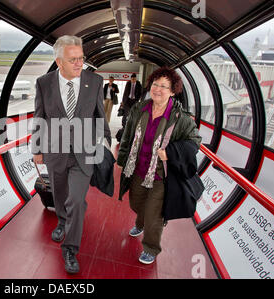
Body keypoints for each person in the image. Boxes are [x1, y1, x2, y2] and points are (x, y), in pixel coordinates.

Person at [31, 35, 111, 274]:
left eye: (81, 58)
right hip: (55, 152)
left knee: (77, 199)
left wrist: (103, 139)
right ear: (59, 62)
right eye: (73, 59)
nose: (79, 64)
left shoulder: (94, 81)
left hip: (83, 153)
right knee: (60, 194)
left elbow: (99, 114)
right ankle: (63, 221)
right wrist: (37, 148)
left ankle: (70, 248)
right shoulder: (44, 83)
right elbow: (39, 116)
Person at [116, 66, 201, 265]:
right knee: (136, 203)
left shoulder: (180, 117)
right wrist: (121, 160)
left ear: (173, 91)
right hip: (138, 168)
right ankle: (140, 222)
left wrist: (170, 152)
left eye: (164, 86)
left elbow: (195, 141)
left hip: (161, 175)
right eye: (155, 84)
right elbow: (128, 135)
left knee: (155, 213)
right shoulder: (140, 108)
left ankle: (151, 247)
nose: (158, 89)